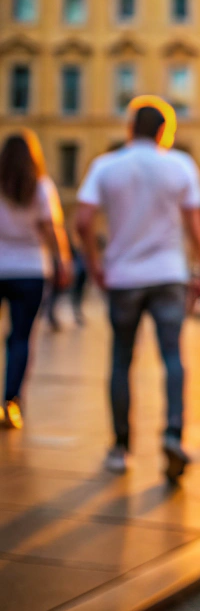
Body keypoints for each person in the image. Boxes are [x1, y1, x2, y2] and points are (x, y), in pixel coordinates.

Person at [75, 103, 200, 481]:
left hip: (122, 276)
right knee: (172, 356)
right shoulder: (181, 166)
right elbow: (197, 226)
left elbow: (83, 220)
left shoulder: (106, 166)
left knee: (122, 359)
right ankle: (172, 432)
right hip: (169, 274)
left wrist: (94, 263)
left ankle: (121, 446)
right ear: (164, 132)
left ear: (130, 126)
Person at [0, 131, 70, 429]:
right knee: (20, 338)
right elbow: (52, 228)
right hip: (30, 270)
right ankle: (11, 401)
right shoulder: (40, 187)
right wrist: (63, 259)